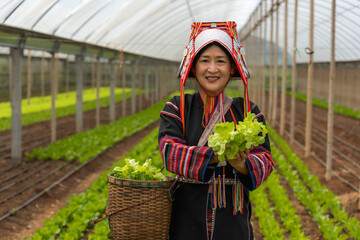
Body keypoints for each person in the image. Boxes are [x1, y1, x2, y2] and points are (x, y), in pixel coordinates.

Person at [158, 21, 274, 240]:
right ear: (193, 67)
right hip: (185, 221)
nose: (212, 69)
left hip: (233, 223)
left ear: (232, 68)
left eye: (220, 61)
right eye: (204, 61)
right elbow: (169, 153)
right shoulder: (177, 108)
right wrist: (214, 155)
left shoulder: (248, 110)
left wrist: (243, 165)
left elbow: (265, 159)